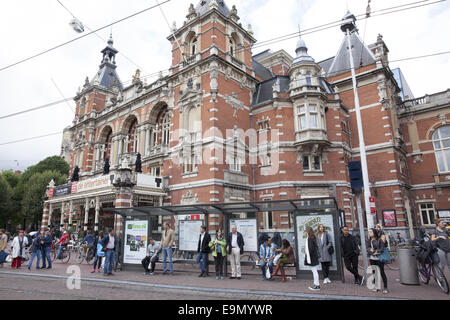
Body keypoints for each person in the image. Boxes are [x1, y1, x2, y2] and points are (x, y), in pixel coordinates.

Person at [368, 228, 388, 294]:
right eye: (369, 232)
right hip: (372, 258)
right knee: (374, 273)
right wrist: (372, 253)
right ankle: (376, 286)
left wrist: (375, 251)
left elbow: (382, 249)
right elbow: (368, 249)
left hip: (379, 258)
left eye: (371, 232)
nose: (369, 233)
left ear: (374, 232)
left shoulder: (379, 240)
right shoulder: (369, 240)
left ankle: (385, 287)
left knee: (382, 272)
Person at [304, 227, 320, 291]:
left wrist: (308, 257)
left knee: (314, 271)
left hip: (312, 257)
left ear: (308, 232)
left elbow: (310, 249)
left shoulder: (309, 239)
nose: (304, 232)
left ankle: (317, 285)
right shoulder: (312, 238)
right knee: (314, 271)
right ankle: (316, 284)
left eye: (305, 231)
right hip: (314, 256)